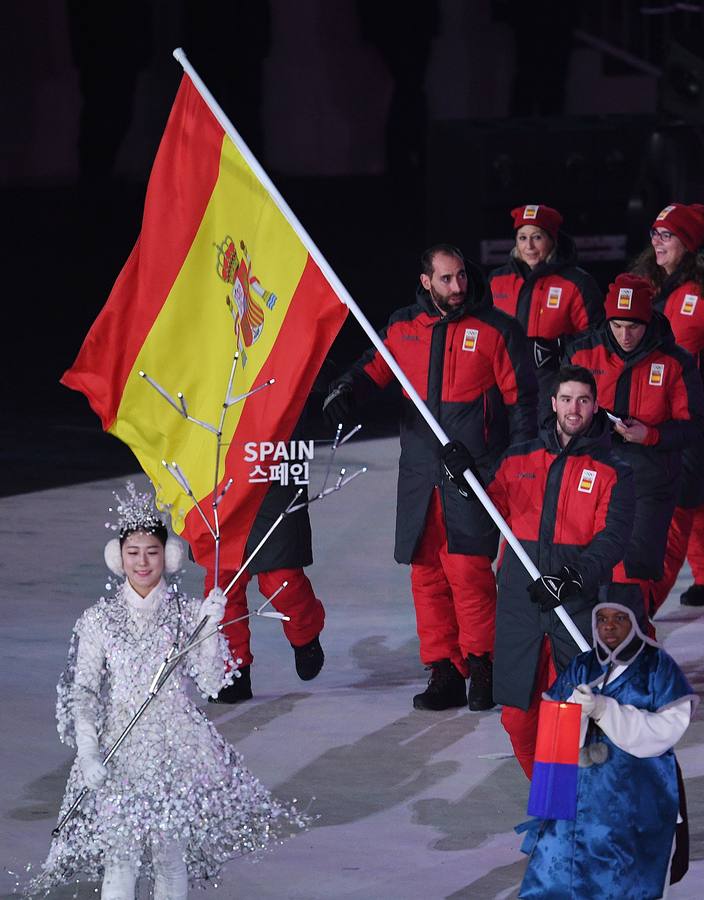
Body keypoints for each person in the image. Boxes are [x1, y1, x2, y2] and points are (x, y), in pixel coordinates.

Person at [27, 483, 307, 899]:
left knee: (170, 861)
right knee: (120, 861)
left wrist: (211, 628)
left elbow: (212, 682)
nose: (143, 562)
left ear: (169, 557)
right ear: (117, 557)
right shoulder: (98, 620)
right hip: (119, 750)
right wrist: (87, 751)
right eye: (133, 552)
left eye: (152, 552)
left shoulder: (188, 614)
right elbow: (83, 690)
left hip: (176, 749)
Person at [324, 244, 538, 711]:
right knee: (426, 576)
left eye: (461, 276)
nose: (458, 287)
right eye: (446, 279)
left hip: (473, 472)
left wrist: (515, 465)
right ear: (426, 282)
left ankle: (482, 667)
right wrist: (346, 389)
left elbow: (523, 403)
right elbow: (374, 367)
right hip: (421, 474)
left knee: (469, 573)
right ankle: (444, 671)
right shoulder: (405, 327)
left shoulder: (495, 330)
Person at [443, 365, 634, 777]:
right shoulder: (520, 458)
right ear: (553, 403)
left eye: (583, 400)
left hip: (575, 605)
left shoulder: (614, 469)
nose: (574, 408)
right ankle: (548, 799)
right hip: (521, 601)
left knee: (566, 716)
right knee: (517, 717)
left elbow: (612, 539)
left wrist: (571, 578)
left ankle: (560, 812)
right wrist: (463, 481)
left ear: (596, 405)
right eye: (566, 399)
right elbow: (486, 508)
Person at [517, 600, 697, 899]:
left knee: (624, 884)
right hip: (574, 805)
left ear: (635, 622)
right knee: (557, 879)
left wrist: (604, 710)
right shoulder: (582, 666)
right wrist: (575, 708)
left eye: (618, 618)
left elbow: (666, 730)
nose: (608, 626)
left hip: (635, 804)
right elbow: (555, 733)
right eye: (601, 618)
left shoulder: (657, 667)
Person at [563, 273, 704, 618]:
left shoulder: (675, 362)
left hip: (649, 482)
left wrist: (651, 436)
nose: (625, 336)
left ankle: (634, 662)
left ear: (649, 320)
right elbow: (555, 413)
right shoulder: (582, 353)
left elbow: (694, 427)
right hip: (590, 482)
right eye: (618, 325)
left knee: (630, 580)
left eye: (634, 326)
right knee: (584, 577)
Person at [631, 203, 704, 608]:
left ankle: (647, 601)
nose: (657, 242)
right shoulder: (646, 286)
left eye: (667, 236)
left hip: (702, 412)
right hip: (656, 410)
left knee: (681, 495)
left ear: (688, 245)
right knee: (694, 490)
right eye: (655, 234)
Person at [204, 473, 325, 704]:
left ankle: (305, 634)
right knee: (222, 587)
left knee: (282, 580)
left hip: (270, 466)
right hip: (217, 471)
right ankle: (234, 672)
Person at [489, 204, 603, 421]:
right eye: (522, 237)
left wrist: (559, 347)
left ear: (552, 239)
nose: (529, 246)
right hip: (502, 390)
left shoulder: (577, 283)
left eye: (537, 237)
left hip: (553, 392)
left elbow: (598, 338)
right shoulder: (497, 281)